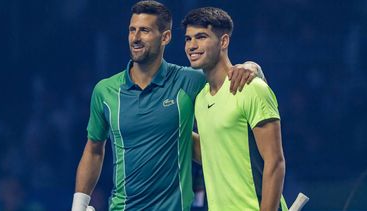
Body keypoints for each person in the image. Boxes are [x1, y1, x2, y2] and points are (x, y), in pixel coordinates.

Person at [71, 1, 264, 210]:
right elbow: (94, 150)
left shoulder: (189, 81)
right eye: (132, 30)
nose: (135, 38)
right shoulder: (105, 91)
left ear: (165, 37)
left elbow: (231, 80)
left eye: (144, 30)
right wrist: (79, 205)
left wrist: (252, 66)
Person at [182, 7, 288, 211]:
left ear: (223, 41)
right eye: (188, 39)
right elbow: (212, 153)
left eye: (201, 37)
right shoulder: (200, 99)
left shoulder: (252, 88)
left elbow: (275, 162)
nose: (192, 46)